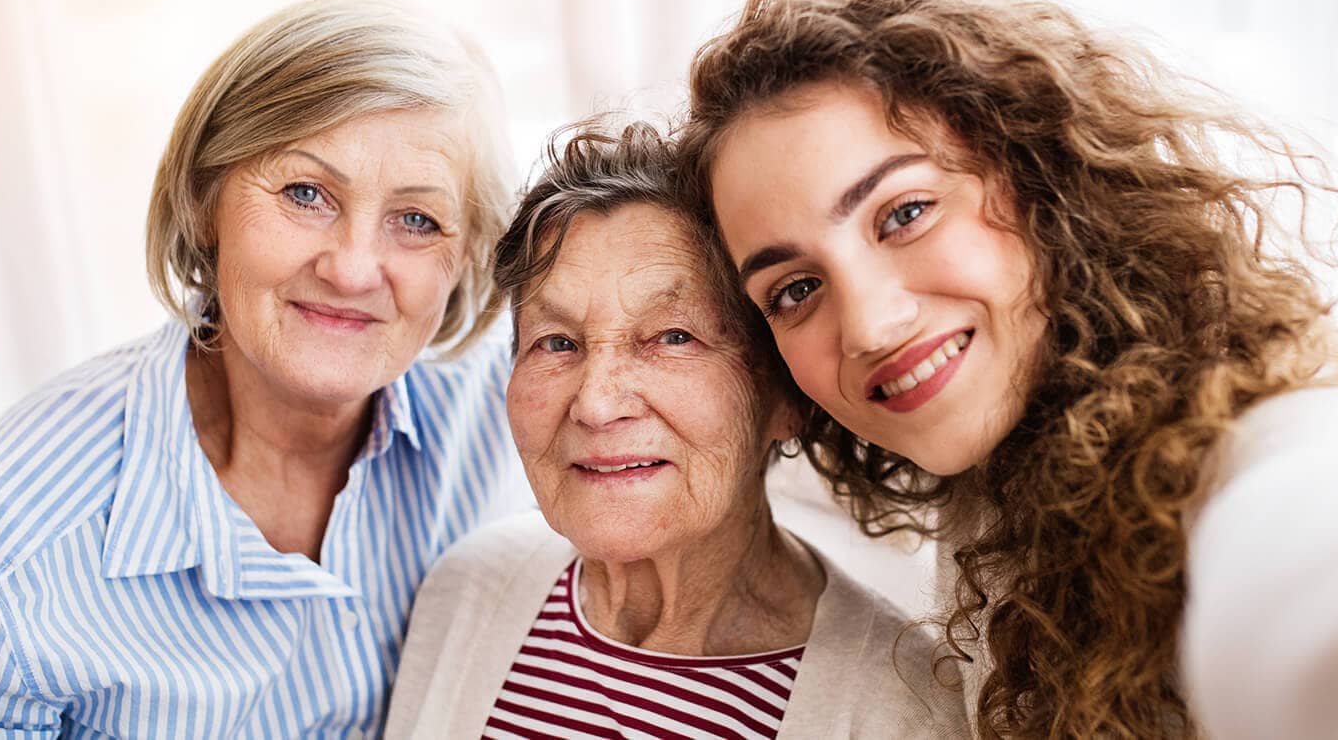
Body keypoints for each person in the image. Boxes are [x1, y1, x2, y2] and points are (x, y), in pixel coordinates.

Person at [676, 0, 1338, 739]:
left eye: (904, 213)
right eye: (795, 290)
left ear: (1039, 178)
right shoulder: (998, 460)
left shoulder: (1262, 453)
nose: (869, 325)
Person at [0, 0, 531, 738]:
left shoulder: (517, 413)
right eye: (306, 194)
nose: (352, 268)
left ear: (466, 258)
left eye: (416, 221)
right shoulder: (5, 547)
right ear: (207, 200)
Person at [384, 122, 969, 738]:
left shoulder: (906, 707)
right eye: (557, 343)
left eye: (673, 337)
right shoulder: (468, 589)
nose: (596, 404)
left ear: (784, 396)